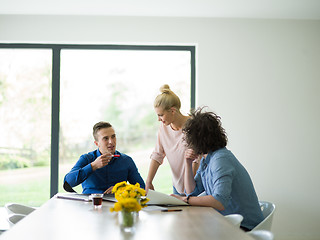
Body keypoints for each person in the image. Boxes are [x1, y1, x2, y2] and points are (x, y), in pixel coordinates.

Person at [172, 107, 264, 231]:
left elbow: (219, 201)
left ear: (198, 139)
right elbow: (192, 192)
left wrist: (185, 200)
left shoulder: (221, 160)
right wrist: (188, 164)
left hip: (244, 227)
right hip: (228, 222)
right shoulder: (207, 159)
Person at [146, 84, 200, 195]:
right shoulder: (163, 128)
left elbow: (196, 159)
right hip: (176, 186)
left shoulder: (194, 126)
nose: (158, 119)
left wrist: (189, 189)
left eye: (161, 115)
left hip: (195, 185)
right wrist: (148, 181)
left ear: (172, 111)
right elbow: (157, 154)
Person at [64, 121, 145, 194]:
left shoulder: (126, 160)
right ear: (97, 143)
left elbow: (141, 187)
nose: (111, 141)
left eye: (113, 136)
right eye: (106, 138)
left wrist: (122, 189)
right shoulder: (87, 159)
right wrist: (93, 166)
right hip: (91, 205)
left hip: (117, 207)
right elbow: (68, 182)